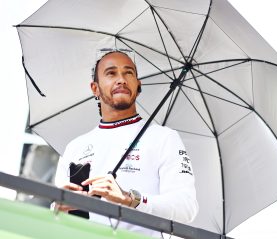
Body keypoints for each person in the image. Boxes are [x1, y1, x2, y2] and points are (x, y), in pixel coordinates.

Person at [54, 50, 198, 238]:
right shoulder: (75, 147)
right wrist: (58, 206)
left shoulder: (164, 138)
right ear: (95, 88)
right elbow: (59, 219)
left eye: (128, 72)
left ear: (138, 85)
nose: (121, 79)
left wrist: (130, 199)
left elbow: (186, 208)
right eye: (111, 73)